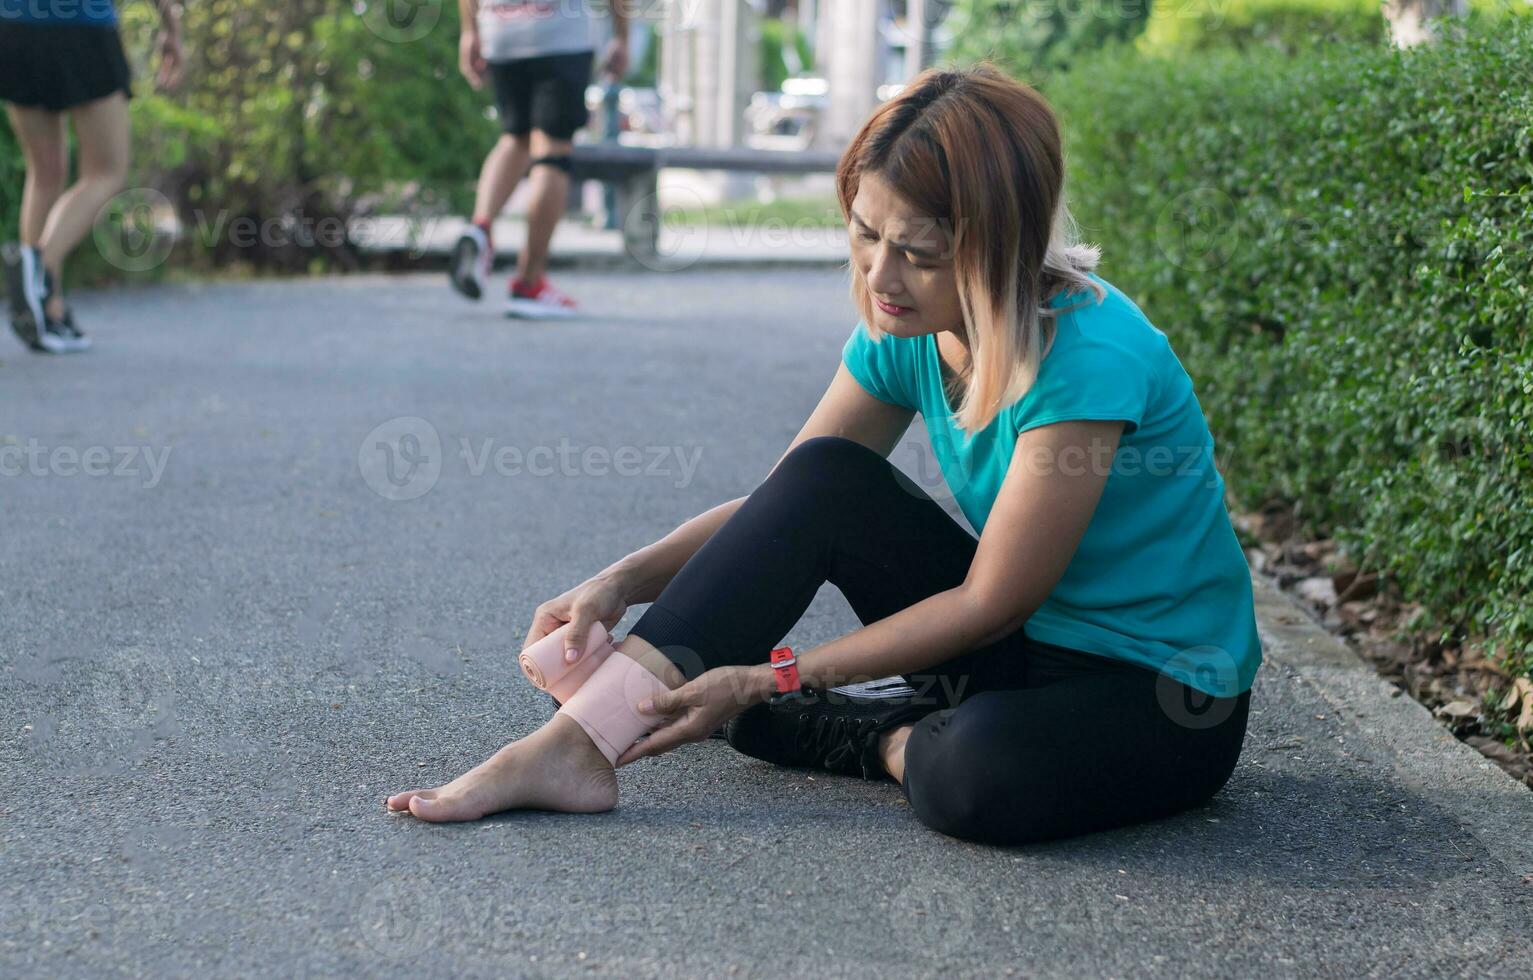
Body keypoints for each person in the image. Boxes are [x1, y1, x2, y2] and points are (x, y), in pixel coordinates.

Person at [387, 64, 1264, 847]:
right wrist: (622, 580)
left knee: (969, 777)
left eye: (918, 253)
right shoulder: (906, 326)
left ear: (998, 246)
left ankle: (872, 733)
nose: (881, 277)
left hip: (1153, 694)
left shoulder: (1090, 357)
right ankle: (578, 745)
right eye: (864, 234)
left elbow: (993, 602)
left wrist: (771, 680)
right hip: (1014, 653)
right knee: (824, 476)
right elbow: (790, 504)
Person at [0, 0, 183, 354]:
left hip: (13, 25)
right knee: (106, 171)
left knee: (44, 171)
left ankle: (48, 311)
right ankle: (40, 273)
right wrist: (170, 29)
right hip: (82, 24)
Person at [449, 0, 628, 319]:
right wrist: (621, 36)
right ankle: (529, 284)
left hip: (501, 32)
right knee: (552, 152)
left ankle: (481, 226)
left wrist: (470, 32)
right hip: (559, 36)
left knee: (515, 137)